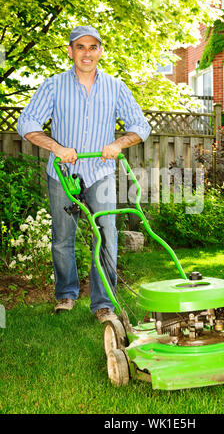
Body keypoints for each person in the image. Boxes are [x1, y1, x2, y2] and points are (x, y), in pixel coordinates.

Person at [17, 26, 150, 323]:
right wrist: (56, 147)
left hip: (100, 172)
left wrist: (118, 143)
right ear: (70, 51)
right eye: (80, 47)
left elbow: (141, 126)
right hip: (63, 174)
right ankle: (66, 293)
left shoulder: (116, 87)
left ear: (100, 51)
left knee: (106, 236)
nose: (86, 53)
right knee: (63, 237)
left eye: (93, 47)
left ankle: (103, 303)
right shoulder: (53, 86)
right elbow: (26, 124)